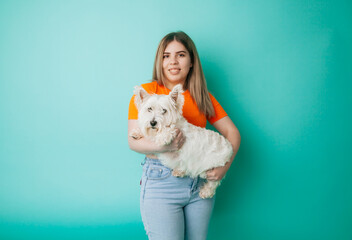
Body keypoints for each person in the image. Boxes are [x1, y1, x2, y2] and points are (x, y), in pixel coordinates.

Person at [128, 31, 241, 240]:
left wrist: (224, 168)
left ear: (191, 61)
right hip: (162, 181)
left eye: (180, 55)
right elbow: (134, 141)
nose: (173, 61)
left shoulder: (202, 96)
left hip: (199, 183)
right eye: (166, 55)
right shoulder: (146, 93)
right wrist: (165, 147)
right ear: (160, 62)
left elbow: (232, 132)